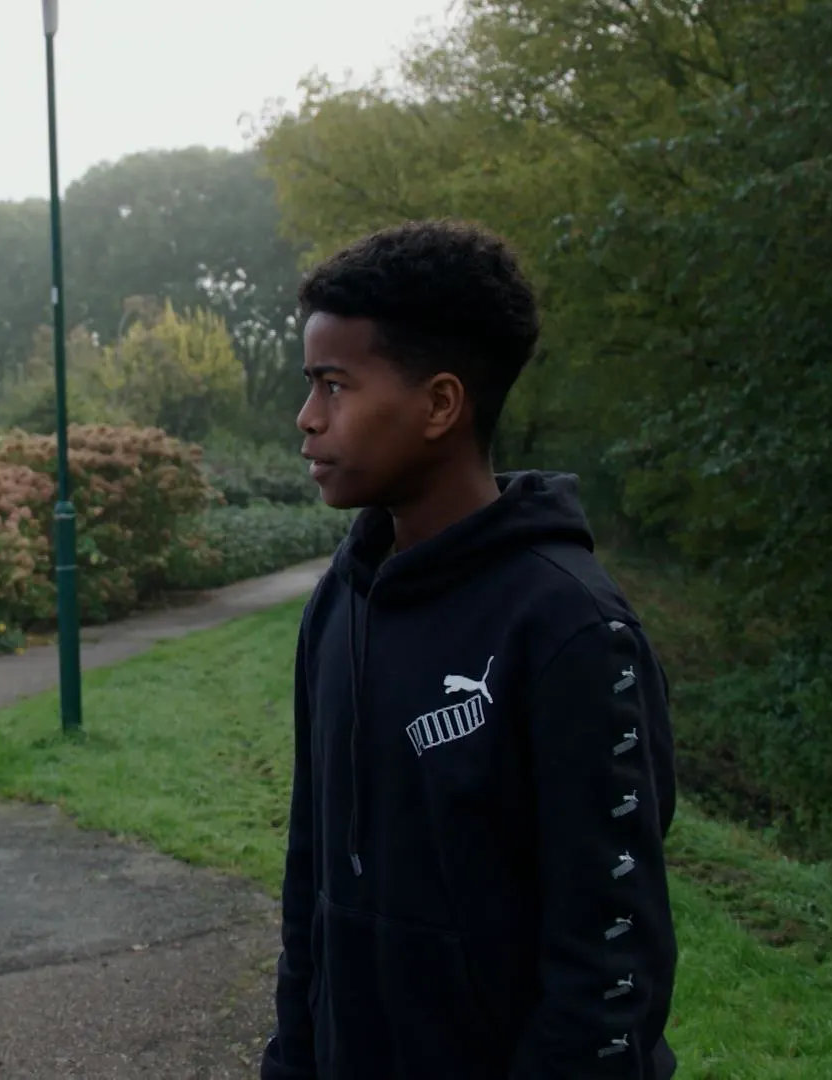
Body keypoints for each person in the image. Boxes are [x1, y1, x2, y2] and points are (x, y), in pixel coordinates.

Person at [260, 220, 678, 1079]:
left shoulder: (570, 628)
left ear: (442, 405)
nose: (307, 419)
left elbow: (608, 959)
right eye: (310, 386)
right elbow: (310, 884)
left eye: (335, 385)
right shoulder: (339, 602)